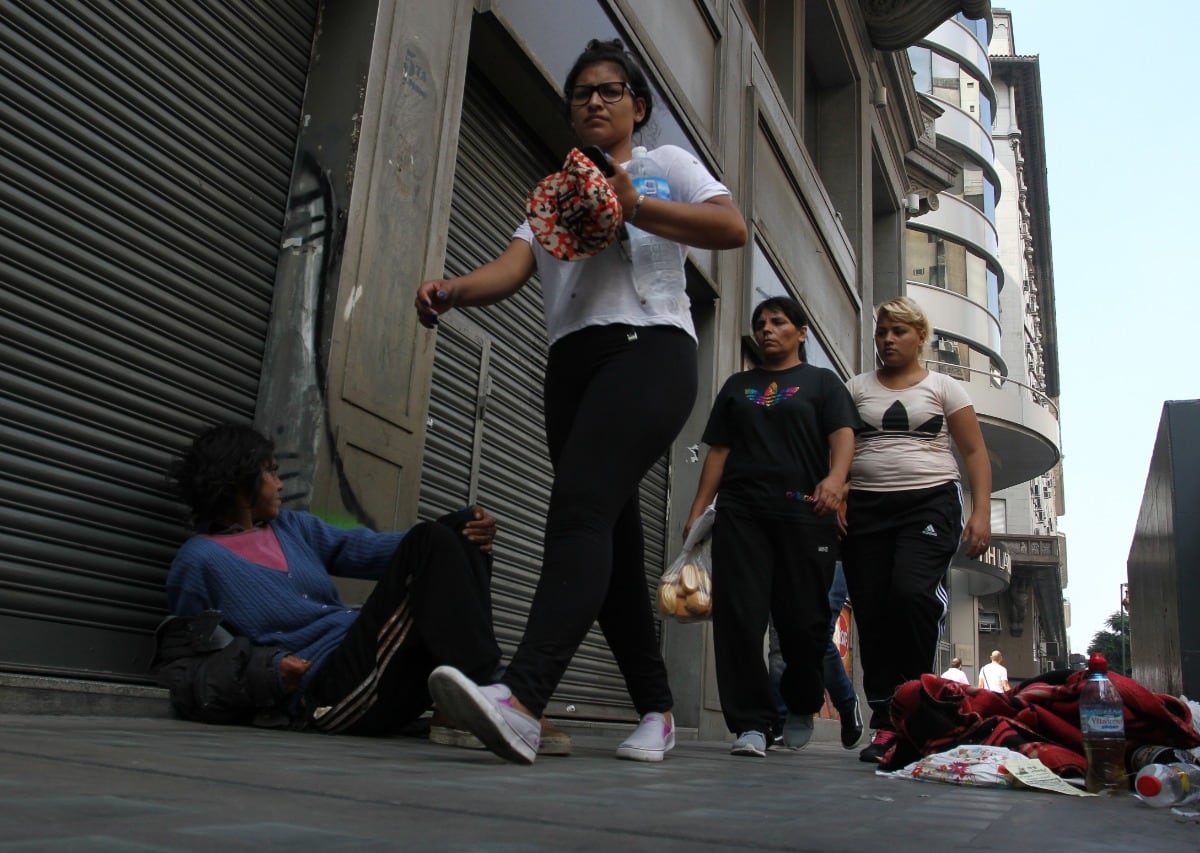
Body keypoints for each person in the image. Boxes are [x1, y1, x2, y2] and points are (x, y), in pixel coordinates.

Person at [416, 38, 747, 765]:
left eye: (609, 89)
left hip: (650, 350)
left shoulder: (665, 166)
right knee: (612, 544)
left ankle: (522, 698)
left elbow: (731, 228)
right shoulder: (554, 191)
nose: (594, 100)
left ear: (638, 106)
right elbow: (512, 267)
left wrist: (638, 205)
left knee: (577, 511)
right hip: (571, 365)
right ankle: (657, 709)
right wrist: (452, 290)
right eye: (581, 92)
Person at [157, 422, 509, 740]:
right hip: (327, 690)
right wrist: (269, 671)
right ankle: (496, 693)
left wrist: (460, 525)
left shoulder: (291, 527)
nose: (280, 484)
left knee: (464, 536)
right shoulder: (199, 560)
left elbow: (375, 550)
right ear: (240, 479)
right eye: (271, 472)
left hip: (369, 663)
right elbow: (188, 669)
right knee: (434, 539)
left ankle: (471, 699)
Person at [683, 296, 856, 757]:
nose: (766, 329)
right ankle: (751, 724)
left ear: (801, 332)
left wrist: (836, 479)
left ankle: (800, 702)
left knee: (804, 625)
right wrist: (699, 509)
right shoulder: (737, 386)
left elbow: (843, 434)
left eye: (778, 322)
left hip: (806, 516)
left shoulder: (822, 383)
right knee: (739, 620)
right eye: (760, 323)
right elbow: (719, 450)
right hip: (742, 515)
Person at [840, 296, 992, 764]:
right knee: (872, 610)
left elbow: (974, 452)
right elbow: (839, 447)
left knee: (910, 594)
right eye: (882, 332)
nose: (887, 340)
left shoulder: (945, 388)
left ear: (920, 337)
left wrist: (982, 513)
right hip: (866, 509)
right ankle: (887, 722)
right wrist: (838, 488)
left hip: (930, 501)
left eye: (898, 331)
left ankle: (917, 706)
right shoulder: (856, 388)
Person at [768, 566, 864, 750]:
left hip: (834, 556)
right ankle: (781, 718)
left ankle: (846, 702)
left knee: (819, 637)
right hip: (787, 558)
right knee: (780, 640)